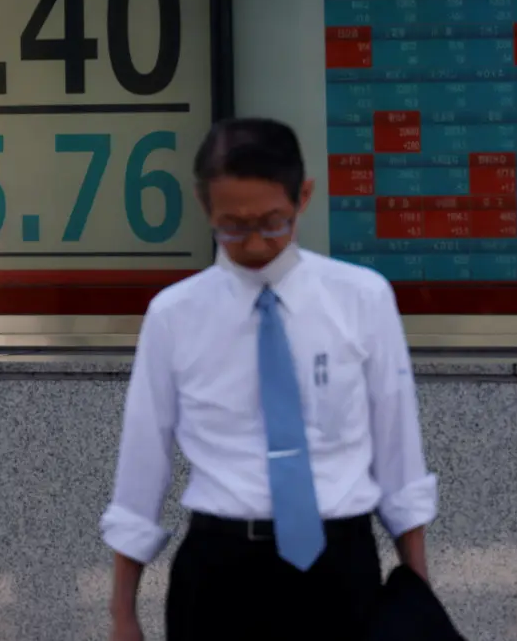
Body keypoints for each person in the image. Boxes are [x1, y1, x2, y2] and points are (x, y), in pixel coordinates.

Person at [101, 117, 437, 641]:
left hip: (339, 567)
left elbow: (400, 457)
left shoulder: (362, 299)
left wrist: (419, 593)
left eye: (273, 221)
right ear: (203, 205)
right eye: (233, 226)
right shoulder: (174, 315)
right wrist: (123, 613)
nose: (256, 242)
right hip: (220, 573)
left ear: (303, 196)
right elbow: (143, 465)